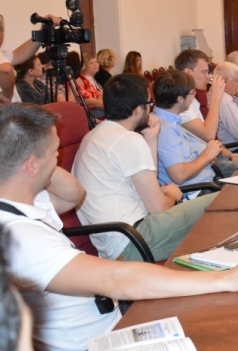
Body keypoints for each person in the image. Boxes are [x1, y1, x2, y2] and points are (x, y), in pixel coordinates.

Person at [0, 103, 238, 351]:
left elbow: (73, 194)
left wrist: (38, 159)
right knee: (233, 336)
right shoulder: (20, 239)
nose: (59, 159)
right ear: (31, 167)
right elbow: (116, 279)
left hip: (118, 322)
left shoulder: (25, 200)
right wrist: (227, 278)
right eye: (55, 153)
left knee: (226, 317)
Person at [73, 74, 218, 262]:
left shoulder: (95, 135)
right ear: (136, 110)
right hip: (134, 240)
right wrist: (173, 195)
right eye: (148, 104)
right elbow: (159, 207)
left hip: (119, 241)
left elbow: (149, 183)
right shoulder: (129, 140)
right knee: (221, 201)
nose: (151, 109)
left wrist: (151, 138)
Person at [174, 49, 238, 176]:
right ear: (187, 72)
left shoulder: (193, 100)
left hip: (213, 157)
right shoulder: (180, 105)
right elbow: (209, 135)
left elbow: (210, 141)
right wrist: (216, 97)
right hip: (201, 167)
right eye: (204, 72)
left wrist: (231, 155)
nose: (207, 77)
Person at [152, 71, 223, 187]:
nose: (194, 96)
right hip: (199, 190)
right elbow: (179, 176)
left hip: (206, 181)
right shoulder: (165, 129)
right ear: (180, 99)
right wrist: (207, 155)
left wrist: (203, 157)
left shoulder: (170, 121)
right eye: (192, 93)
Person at [1, 13, 61, 104]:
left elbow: (19, 54)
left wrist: (43, 30)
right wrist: (7, 95)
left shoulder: (3, 55)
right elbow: (5, 70)